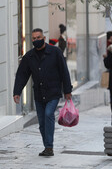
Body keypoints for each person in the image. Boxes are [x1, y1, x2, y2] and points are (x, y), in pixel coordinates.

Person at [13, 28, 72, 157]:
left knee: (48, 114)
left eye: (38, 38)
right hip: (39, 94)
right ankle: (47, 146)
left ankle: (49, 146)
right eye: (34, 38)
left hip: (53, 92)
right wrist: (17, 91)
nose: (36, 40)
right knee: (42, 123)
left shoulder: (55, 52)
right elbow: (22, 75)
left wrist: (67, 90)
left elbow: (64, 71)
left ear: (44, 38)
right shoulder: (29, 56)